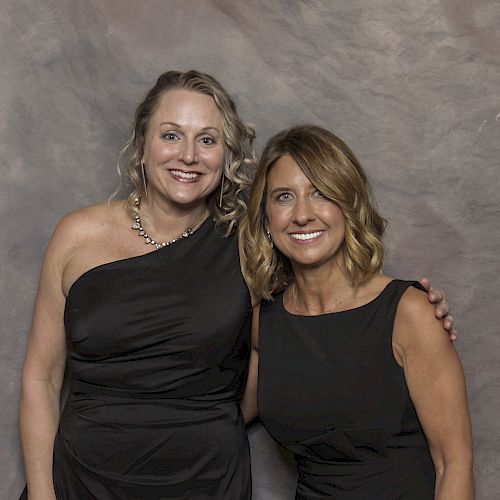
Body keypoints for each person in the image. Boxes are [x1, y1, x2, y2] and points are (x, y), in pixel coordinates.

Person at [20, 70, 455, 500]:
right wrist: (43, 493)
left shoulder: (249, 245)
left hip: (204, 480)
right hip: (81, 478)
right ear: (142, 142)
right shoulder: (75, 235)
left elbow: (324, 318)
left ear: (226, 154)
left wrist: (417, 317)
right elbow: (41, 378)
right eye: (171, 135)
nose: (188, 155)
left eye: (207, 140)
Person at [240, 125, 473, 499]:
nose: (302, 214)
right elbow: (214, 419)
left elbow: (454, 464)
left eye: (319, 192)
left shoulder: (409, 313)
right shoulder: (263, 325)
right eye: (284, 196)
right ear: (266, 219)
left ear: (348, 205)